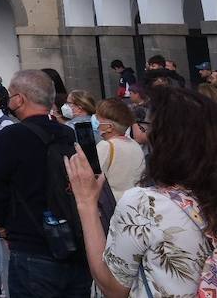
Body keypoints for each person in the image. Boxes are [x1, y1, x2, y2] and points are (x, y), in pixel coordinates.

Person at [66, 84, 217, 298]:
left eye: (147, 126)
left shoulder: (145, 204)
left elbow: (113, 287)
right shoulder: (206, 194)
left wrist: (86, 203)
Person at [0, 69, 89, 297]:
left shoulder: (12, 136)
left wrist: (2, 223)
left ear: (19, 99)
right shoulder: (69, 134)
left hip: (31, 243)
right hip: (76, 244)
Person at [90, 98, 143, 203]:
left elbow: (92, 177)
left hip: (114, 205)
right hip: (136, 202)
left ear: (109, 127)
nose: (94, 120)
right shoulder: (134, 144)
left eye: (98, 118)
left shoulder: (106, 146)